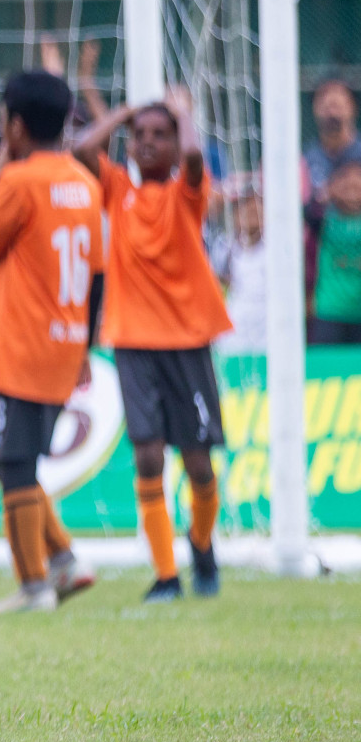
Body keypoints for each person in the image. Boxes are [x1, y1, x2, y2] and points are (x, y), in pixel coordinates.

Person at [73, 92, 230, 602]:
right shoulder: (119, 191)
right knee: (146, 457)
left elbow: (192, 159)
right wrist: (123, 113)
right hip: (133, 343)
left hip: (187, 343)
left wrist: (182, 111)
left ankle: (201, 546)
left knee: (199, 462)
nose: (147, 142)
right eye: (140, 135)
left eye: (159, 135)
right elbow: (80, 150)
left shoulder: (188, 193)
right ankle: (166, 575)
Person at [0, 71, 102, 616]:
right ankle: (64, 559)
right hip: (65, 340)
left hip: (21, 344)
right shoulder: (86, 183)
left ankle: (34, 586)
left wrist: (1, 175)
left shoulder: (21, 182)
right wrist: (86, 341)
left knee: (12, 459)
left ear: (14, 126)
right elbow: (97, 272)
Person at [307, 157, 361, 343]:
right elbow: (304, 211)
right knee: (324, 368)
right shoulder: (322, 218)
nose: (352, 183)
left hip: (358, 311)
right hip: (329, 311)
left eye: (357, 177)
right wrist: (323, 195)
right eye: (344, 177)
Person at [215, 182, 266, 355]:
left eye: (257, 209)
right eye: (246, 209)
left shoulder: (274, 249)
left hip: (265, 322)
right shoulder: (224, 246)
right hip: (235, 323)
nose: (252, 213)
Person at [304, 79, 361, 198]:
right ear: (315, 109)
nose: (332, 113)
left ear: (353, 107)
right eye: (327, 107)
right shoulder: (305, 159)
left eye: (337, 106)